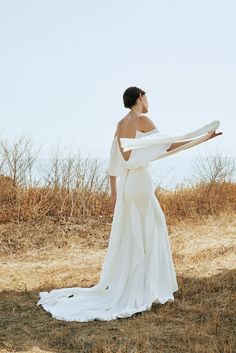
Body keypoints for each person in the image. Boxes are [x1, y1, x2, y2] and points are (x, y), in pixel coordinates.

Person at [37, 86, 222, 322]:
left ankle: (139, 285)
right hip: (141, 182)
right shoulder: (142, 119)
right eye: (146, 97)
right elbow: (169, 144)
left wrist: (114, 193)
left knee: (135, 234)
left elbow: (114, 161)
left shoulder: (120, 124)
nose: (148, 101)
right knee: (151, 230)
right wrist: (203, 137)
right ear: (139, 98)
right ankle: (144, 290)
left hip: (127, 186)